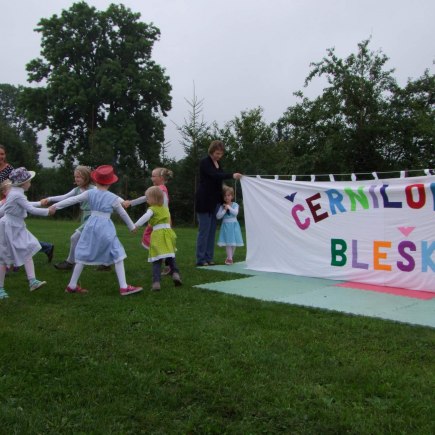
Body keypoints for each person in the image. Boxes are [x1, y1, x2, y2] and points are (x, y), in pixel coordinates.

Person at [49, 165, 142, 296]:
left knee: (82, 253)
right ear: (110, 182)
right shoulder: (112, 197)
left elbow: (72, 200)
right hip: (105, 227)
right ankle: (124, 287)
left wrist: (54, 206)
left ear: (96, 181)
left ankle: (72, 285)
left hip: (90, 225)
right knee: (118, 253)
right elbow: (123, 213)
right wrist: (132, 226)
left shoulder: (89, 193)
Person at [0, 167, 54, 299]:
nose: (30, 183)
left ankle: (32, 281)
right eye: (29, 181)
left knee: (28, 249)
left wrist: (40, 203)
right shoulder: (17, 194)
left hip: (16, 227)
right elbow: (30, 209)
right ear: (23, 183)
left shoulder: (16, 193)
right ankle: (0, 288)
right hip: (9, 228)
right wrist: (48, 211)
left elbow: (26, 204)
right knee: (3, 257)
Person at [0, 147, 54, 263]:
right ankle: (9, 263)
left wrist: (41, 205)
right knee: (18, 241)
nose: (1, 156)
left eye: (2, 154)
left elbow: (23, 202)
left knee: (19, 241)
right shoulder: (16, 194)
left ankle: (9, 263)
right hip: (8, 214)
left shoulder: (10, 172)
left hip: (10, 212)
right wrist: (45, 209)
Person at [195, 140, 242, 266]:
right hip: (204, 201)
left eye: (220, 154)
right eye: (217, 153)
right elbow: (215, 176)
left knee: (211, 231)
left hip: (215, 201)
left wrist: (223, 201)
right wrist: (232, 175)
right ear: (211, 151)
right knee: (204, 231)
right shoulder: (205, 163)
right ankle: (200, 259)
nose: (218, 156)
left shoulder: (218, 164)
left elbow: (219, 182)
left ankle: (209, 257)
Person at [41, 165, 95, 270]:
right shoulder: (77, 190)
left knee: (74, 238)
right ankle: (107, 264)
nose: (76, 179)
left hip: (93, 216)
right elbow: (64, 197)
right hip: (85, 216)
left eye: (79, 177)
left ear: (86, 177)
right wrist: (49, 199)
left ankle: (70, 263)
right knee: (98, 240)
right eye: (75, 177)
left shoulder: (94, 189)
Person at [123, 167, 173, 275]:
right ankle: (167, 263)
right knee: (159, 241)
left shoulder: (160, 190)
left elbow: (149, 200)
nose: (152, 178)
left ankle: (163, 259)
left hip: (160, 221)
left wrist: (130, 203)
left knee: (152, 240)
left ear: (161, 177)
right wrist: (131, 203)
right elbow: (145, 198)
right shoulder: (160, 188)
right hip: (161, 220)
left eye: (154, 176)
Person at [134, 186, 182, 291]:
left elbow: (146, 217)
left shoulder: (152, 209)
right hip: (168, 234)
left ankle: (156, 283)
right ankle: (175, 274)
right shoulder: (165, 209)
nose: (146, 200)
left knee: (157, 260)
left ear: (154, 199)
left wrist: (136, 225)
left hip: (158, 235)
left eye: (148, 198)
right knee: (170, 256)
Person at [216, 185, 244, 265]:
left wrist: (229, 207)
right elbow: (218, 216)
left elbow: (235, 213)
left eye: (228, 195)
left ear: (232, 196)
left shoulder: (235, 205)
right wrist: (225, 209)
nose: (227, 197)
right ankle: (230, 259)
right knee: (228, 242)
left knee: (233, 242)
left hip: (234, 226)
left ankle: (229, 257)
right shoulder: (222, 206)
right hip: (226, 226)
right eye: (225, 196)